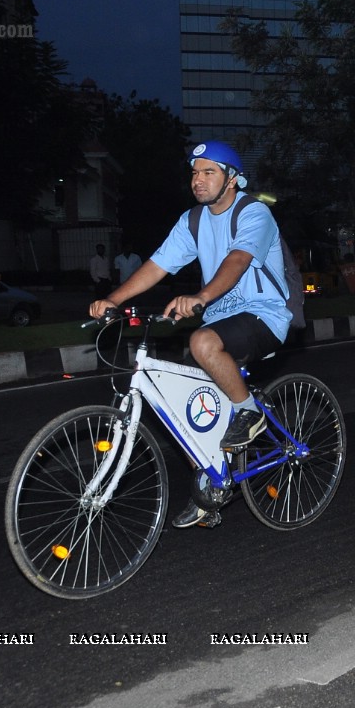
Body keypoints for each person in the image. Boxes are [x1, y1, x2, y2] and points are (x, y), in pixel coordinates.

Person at [89, 140, 294, 529]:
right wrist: (112, 299)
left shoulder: (255, 214)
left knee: (201, 342)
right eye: (195, 173)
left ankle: (249, 413)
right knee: (185, 403)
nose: (198, 181)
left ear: (232, 179)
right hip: (219, 318)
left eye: (208, 172)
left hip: (263, 315)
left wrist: (200, 296)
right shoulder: (193, 221)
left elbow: (237, 262)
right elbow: (157, 265)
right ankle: (211, 484)